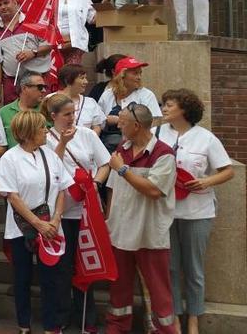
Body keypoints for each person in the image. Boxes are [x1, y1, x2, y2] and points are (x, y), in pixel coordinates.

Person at [157, 89, 233, 334]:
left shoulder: (206, 138)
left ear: (184, 109)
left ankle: (194, 317)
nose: (165, 109)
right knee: (170, 267)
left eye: (169, 105)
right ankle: (175, 317)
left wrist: (205, 182)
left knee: (194, 268)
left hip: (198, 211)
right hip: (165, 211)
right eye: (164, 104)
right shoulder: (157, 134)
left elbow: (227, 170)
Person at [0, 110, 73, 334]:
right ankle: (24, 324)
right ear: (29, 132)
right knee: (22, 279)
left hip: (50, 228)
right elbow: (12, 196)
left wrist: (56, 219)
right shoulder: (10, 158)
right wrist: (37, 224)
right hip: (22, 230)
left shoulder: (50, 155)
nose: (46, 131)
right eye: (42, 128)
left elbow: (61, 189)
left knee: (51, 279)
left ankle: (52, 325)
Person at [105, 103, 177, 334]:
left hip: (149, 234)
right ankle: (117, 328)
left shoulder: (163, 154)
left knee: (159, 291)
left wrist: (122, 169)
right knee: (119, 290)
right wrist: (109, 222)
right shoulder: (122, 149)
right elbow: (112, 190)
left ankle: (164, 330)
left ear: (137, 126)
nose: (120, 126)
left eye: (123, 123)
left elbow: (154, 190)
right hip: (120, 233)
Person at [41, 94, 111, 332]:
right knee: (62, 268)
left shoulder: (88, 134)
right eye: (66, 114)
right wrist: (62, 143)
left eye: (73, 113)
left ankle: (86, 318)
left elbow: (105, 163)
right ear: (53, 116)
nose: (72, 118)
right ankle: (60, 317)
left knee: (85, 265)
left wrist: (96, 184)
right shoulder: (46, 138)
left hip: (86, 211)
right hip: (60, 212)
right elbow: (49, 168)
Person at [0, 0, 51, 104]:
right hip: (11, 83)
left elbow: (49, 45)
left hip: (37, 79)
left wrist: (33, 52)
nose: (3, 7)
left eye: (6, 3)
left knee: (39, 115)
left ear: (15, 2)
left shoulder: (33, 21)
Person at [98, 56, 162, 151]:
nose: (139, 77)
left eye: (140, 73)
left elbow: (155, 123)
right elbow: (98, 121)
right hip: (108, 147)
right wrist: (105, 120)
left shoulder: (146, 95)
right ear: (122, 76)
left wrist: (119, 120)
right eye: (135, 73)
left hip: (138, 146)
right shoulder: (107, 95)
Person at [57, 0, 96, 65]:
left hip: (76, 43)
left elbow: (92, 20)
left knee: (72, 74)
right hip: (56, 43)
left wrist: (103, 6)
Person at [0, 71, 46, 148]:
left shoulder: (47, 109)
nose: (44, 90)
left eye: (45, 87)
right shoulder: (3, 112)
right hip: (13, 159)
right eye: (40, 87)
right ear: (24, 88)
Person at [55, 64, 105, 134]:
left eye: (85, 78)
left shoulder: (90, 102)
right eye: (82, 78)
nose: (86, 82)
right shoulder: (50, 99)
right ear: (67, 80)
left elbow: (97, 127)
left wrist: (87, 140)